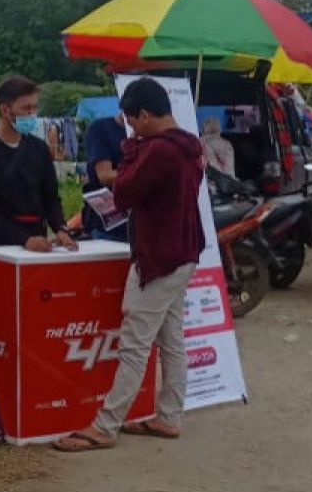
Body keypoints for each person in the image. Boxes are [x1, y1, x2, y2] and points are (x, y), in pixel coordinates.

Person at [54, 78, 206, 452]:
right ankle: (169, 416)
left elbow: (123, 192)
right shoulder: (190, 145)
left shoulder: (158, 151)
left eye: (133, 122)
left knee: (135, 343)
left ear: (144, 114)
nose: (131, 129)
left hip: (158, 255)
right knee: (171, 340)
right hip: (183, 251)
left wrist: (131, 147)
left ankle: (106, 425)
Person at [0, 75, 75, 278]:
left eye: (35, 107)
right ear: (5, 110)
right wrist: (23, 239)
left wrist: (60, 228)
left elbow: (51, 198)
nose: (32, 114)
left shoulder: (39, 149)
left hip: (37, 244)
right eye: (26, 108)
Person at [82, 112, 128, 241]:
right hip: (108, 226)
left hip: (143, 225)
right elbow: (105, 176)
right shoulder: (101, 129)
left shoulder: (152, 134)